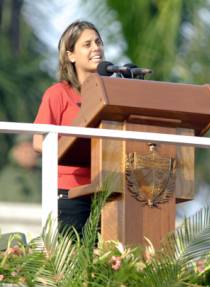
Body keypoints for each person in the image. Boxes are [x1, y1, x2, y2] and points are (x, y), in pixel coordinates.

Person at [32, 20, 104, 236]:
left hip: (106, 191)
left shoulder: (110, 93)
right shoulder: (58, 93)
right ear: (70, 55)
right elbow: (38, 142)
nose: (96, 48)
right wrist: (71, 148)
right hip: (70, 193)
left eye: (98, 42)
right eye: (87, 44)